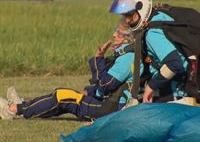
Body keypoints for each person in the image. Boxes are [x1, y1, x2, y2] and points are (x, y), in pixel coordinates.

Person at [0, 21, 137, 120]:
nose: (114, 35)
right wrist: (90, 90)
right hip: (107, 103)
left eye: (118, 33)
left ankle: (13, 110)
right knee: (61, 95)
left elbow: (105, 85)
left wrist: (98, 58)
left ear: (129, 39)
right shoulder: (126, 55)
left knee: (62, 96)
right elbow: (106, 84)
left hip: (107, 109)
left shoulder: (128, 58)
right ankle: (22, 106)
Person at [109, 0, 191, 103]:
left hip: (178, 91)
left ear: (141, 8)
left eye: (129, 15)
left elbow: (174, 64)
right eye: (124, 16)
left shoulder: (152, 33)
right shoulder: (159, 16)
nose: (127, 20)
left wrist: (151, 86)